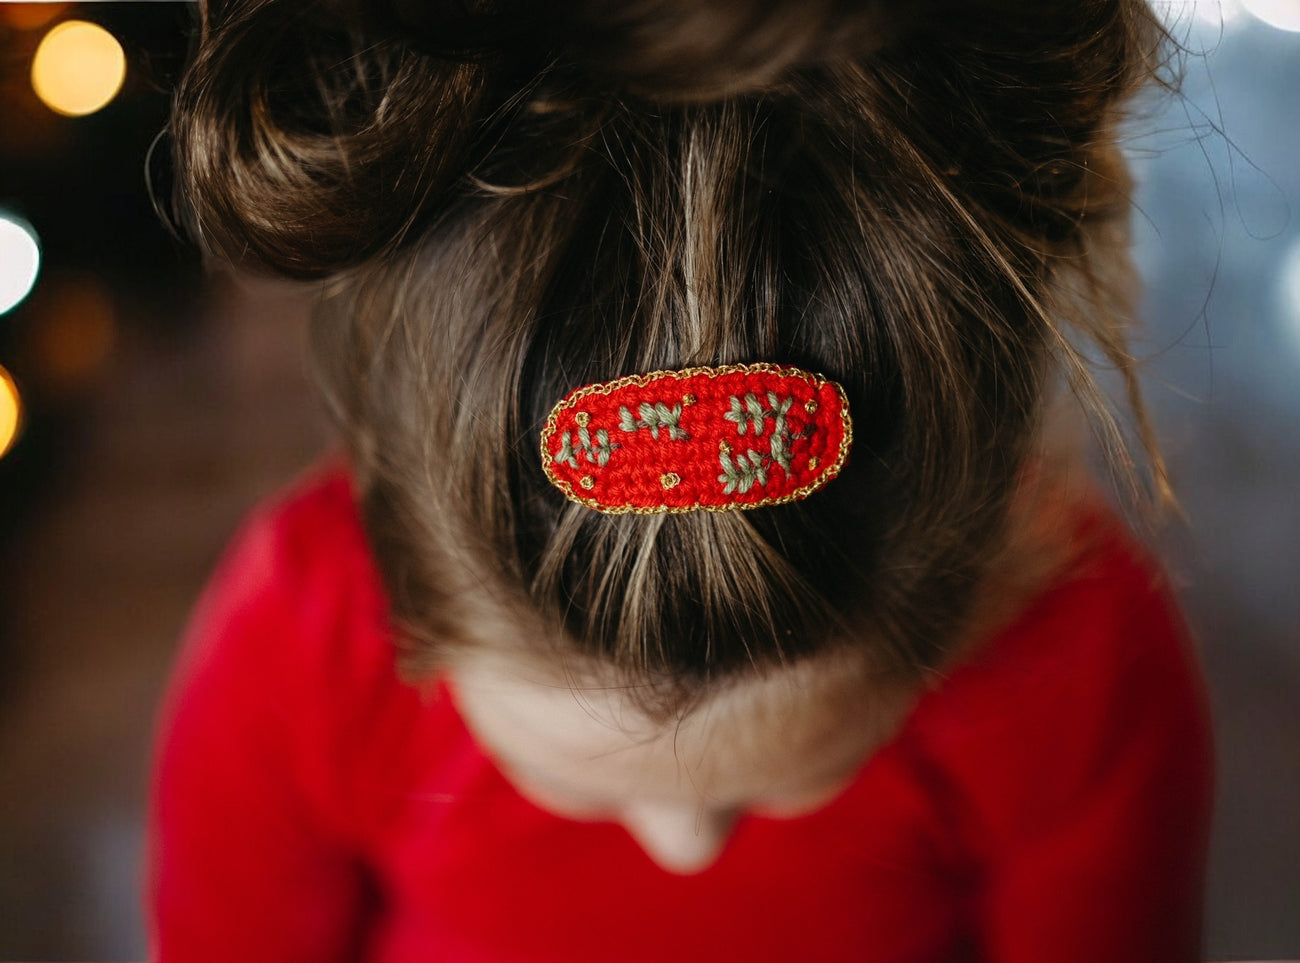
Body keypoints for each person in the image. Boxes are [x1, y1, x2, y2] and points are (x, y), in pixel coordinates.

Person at [147, 0, 1214, 960]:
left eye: (794, 778)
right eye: (578, 788)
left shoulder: (1080, 671)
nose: (684, 846)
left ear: (982, 568)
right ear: (406, 597)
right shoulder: (301, 643)